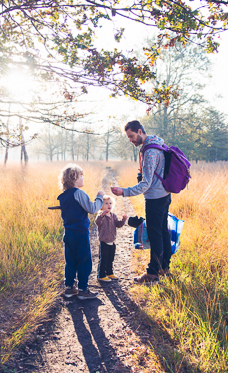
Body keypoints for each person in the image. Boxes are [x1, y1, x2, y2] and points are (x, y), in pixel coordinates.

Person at [110, 120, 171, 284]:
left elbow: (146, 184)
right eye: (128, 138)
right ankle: (164, 268)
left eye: (131, 136)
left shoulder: (150, 152)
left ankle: (152, 275)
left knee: (155, 235)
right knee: (163, 232)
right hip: (165, 195)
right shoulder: (157, 144)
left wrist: (124, 192)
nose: (130, 140)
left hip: (155, 199)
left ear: (139, 131)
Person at [58, 164, 104, 300]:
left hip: (68, 233)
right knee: (84, 260)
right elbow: (92, 208)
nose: (83, 178)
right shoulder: (79, 193)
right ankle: (83, 289)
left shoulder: (63, 196)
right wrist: (99, 197)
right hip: (80, 233)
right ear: (73, 179)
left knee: (70, 261)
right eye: (81, 176)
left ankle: (70, 288)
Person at [95, 195, 128, 284]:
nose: (109, 205)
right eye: (106, 203)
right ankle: (101, 275)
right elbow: (98, 223)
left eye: (110, 203)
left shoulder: (113, 215)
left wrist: (123, 220)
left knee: (111, 258)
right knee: (103, 258)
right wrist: (102, 215)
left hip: (112, 240)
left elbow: (118, 224)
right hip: (104, 241)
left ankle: (109, 272)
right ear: (101, 206)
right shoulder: (100, 215)